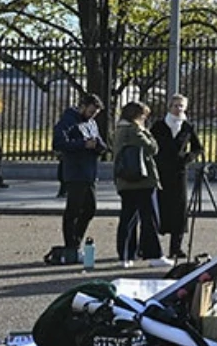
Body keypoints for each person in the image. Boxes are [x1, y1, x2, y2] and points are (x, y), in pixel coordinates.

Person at [112, 101, 170, 268]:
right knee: (149, 219)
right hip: (142, 180)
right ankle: (154, 254)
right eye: (143, 116)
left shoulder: (119, 130)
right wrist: (145, 130)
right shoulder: (134, 130)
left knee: (127, 218)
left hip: (125, 180)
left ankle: (125, 255)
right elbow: (152, 148)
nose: (145, 119)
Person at [150, 94, 204, 259]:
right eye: (175, 105)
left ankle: (176, 247)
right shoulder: (159, 126)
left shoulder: (188, 127)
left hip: (179, 172)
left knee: (179, 209)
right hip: (160, 171)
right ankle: (148, 246)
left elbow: (197, 148)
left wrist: (188, 158)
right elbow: (150, 144)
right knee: (157, 208)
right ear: (169, 107)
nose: (178, 109)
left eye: (181, 106)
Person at [54, 93, 106, 251]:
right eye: (90, 112)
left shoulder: (92, 123)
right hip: (75, 171)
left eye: (95, 113)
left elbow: (101, 143)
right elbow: (59, 143)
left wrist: (98, 146)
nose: (92, 116)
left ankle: (76, 240)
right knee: (73, 210)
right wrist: (83, 144)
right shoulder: (68, 121)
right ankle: (70, 244)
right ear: (82, 107)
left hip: (89, 172)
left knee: (90, 209)